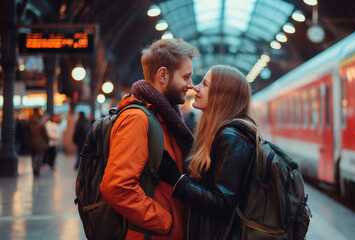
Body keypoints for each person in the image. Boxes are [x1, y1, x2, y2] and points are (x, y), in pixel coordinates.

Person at [99, 38, 199, 239]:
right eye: (186, 77)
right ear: (163, 75)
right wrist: (167, 222)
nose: (190, 85)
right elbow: (117, 187)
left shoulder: (165, 117)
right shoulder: (137, 119)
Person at [158, 64, 258, 239]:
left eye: (204, 84)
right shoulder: (221, 134)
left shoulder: (231, 138)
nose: (195, 87)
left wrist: (177, 179)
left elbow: (222, 204)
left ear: (220, 95)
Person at [27, 109, 49, 176]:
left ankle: (34, 170)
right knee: (40, 157)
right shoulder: (41, 124)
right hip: (40, 143)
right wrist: (47, 141)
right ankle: (38, 171)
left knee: (33, 158)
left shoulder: (29, 124)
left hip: (31, 142)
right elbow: (45, 134)